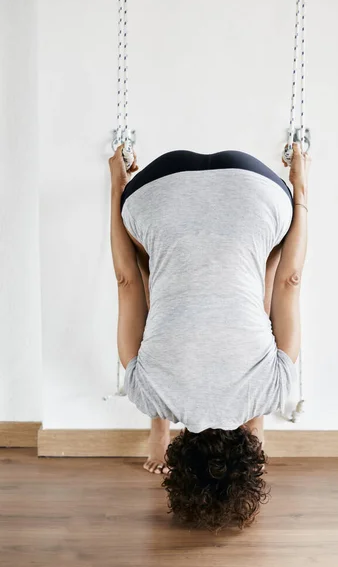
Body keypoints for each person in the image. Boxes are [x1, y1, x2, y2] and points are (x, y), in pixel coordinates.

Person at [109, 144, 310, 531]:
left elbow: (290, 280)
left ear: (250, 455)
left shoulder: (276, 389)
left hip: (256, 186)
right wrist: (118, 185)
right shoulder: (144, 393)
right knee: (155, 267)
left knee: (266, 260)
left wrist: (300, 189)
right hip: (156, 187)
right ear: (178, 459)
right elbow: (126, 280)